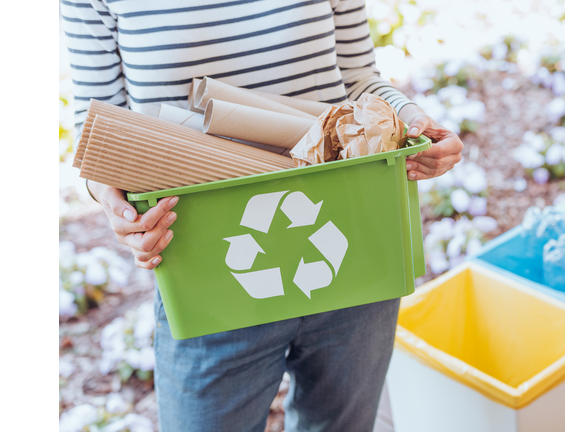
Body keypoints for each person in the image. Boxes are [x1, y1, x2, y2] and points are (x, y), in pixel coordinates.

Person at [62, 1, 463, 430]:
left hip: (349, 244)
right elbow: (98, 127)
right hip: (205, 268)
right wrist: (114, 204)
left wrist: (412, 120)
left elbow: (358, 79)